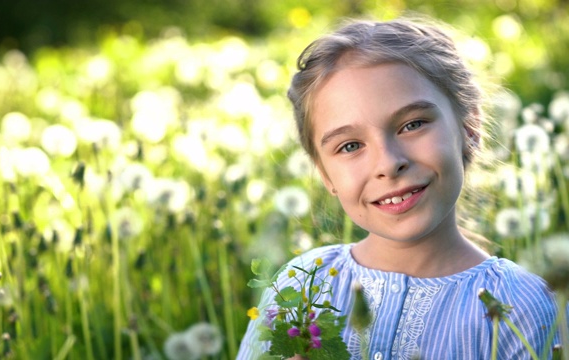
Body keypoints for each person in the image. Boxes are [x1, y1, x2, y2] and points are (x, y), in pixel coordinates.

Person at [237, 16, 563, 359]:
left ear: (469, 126)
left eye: (412, 124)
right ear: (325, 174)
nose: (388, 163)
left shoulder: (529, 307)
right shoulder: (300, 288)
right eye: (350, 146)